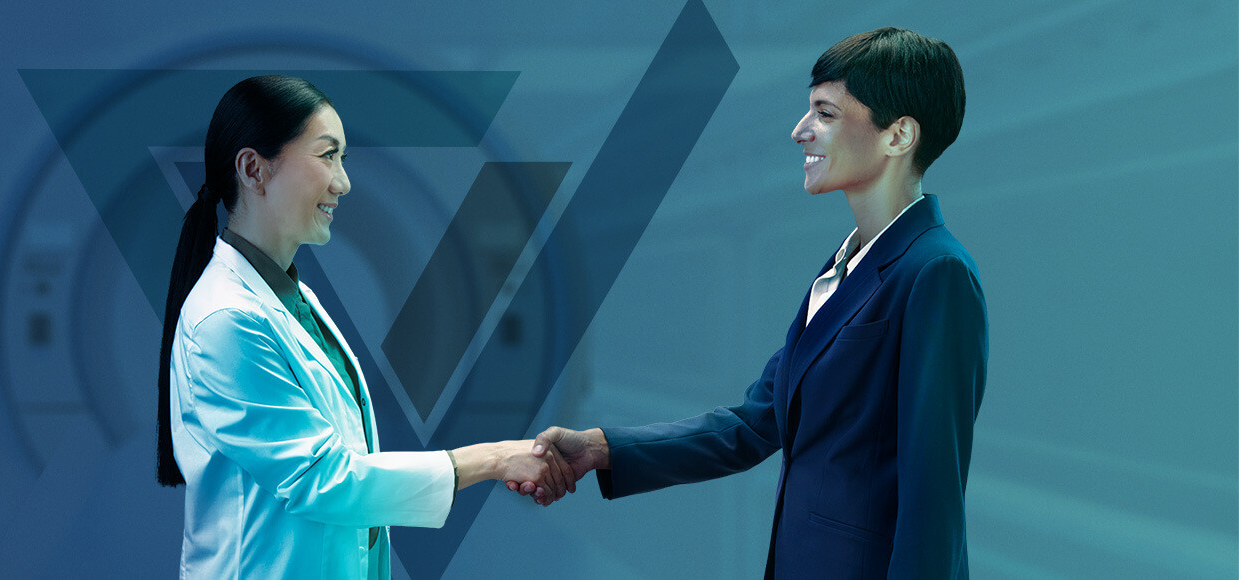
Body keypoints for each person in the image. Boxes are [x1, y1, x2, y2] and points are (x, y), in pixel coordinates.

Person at [513, 27, 986, 578]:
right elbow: (755, 423)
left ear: (898, 135)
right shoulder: (843, 268)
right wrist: (600, 448)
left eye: (825, 114)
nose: (799, 131)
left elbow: (934, 496)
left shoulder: (935, 272)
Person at [157, 75, 573, 579]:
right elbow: (325, 479)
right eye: (327, 155)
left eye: (343, 160)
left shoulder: (291, 299)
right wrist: (493, 458)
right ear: (253, 168)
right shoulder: (226, 320)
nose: (343, 182)